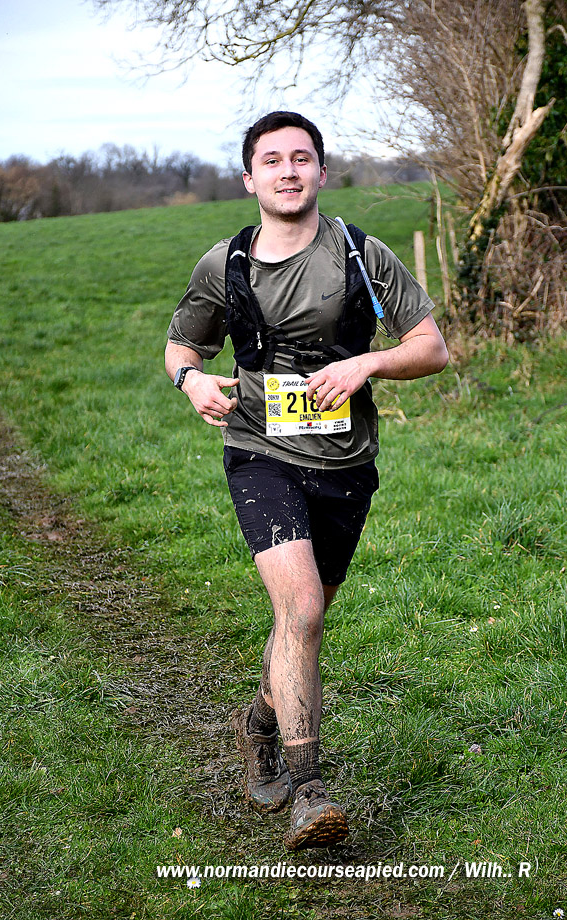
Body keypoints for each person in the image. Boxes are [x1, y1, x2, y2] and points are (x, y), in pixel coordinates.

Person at [165, 111, 448, 850]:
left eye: (301, 158)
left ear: (321, 171)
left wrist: (367, 363)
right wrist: (192, 382)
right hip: (259, 451)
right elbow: (180, 347)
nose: (287, 171)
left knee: (304, 622)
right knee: (302, 608)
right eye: (272, 160)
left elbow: (431, 347)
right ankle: (309, 791)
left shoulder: (360, 253)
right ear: (249, 178)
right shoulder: (224, 264)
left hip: (346, 464)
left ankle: (259, 723)